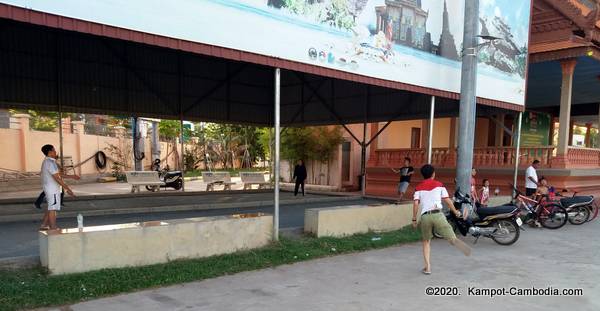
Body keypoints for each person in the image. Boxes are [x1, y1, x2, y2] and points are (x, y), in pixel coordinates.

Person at [412, 164, 471, 275]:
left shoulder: (418, 187)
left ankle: (428, 267)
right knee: (452, 238)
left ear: (423, 175)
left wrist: (414, 219)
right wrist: (455, 211)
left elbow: (415, 204)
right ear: (433, 174)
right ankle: (460, 245)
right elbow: (447, 201)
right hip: (438, 214)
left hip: (425, 217)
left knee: (426, 242)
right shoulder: (439, 185)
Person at [39, 144, 76, 231]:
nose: (55, 152)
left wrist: (72, 176)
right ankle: (53, 228)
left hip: (50, 188)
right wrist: (68, 189)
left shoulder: (48, 161)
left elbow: (58, 174)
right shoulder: (50, 162)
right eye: (54, 150)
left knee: (51, 206)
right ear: (50, 152)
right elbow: (57, 178)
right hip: (52, 189)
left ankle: (44, 225)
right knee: (53, 208)